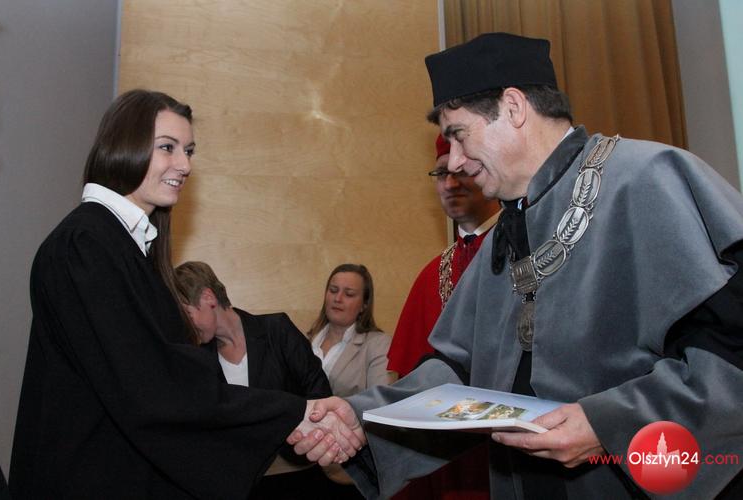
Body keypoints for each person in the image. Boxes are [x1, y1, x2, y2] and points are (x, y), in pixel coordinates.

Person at [293, 33, 743, 499]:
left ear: (513, 107)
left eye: (459, 135)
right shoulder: (503, 233)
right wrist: (363, 418)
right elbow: (460, 375)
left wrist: (608, 425)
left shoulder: (647, 178)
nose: (456, 162)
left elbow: (730, 358)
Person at [8, 89, 362, 499]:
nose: (185, 165)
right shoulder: (86, 245)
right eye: (167, 147)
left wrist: (295, 414)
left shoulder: (118, 246)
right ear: (124, 145)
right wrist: (294, 412)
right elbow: (154, 388)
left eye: (189, 151)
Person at [387, 134, 500, 500]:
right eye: (440, 173)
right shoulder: (429, 276)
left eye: (461, 171)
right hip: (445, 462)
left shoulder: (528, 250)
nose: (450, 184)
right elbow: (408, 382)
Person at [174, 260, 339, 499]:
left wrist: (300, 434)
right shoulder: (198, 357)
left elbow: (319, 392)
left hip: (298, 474)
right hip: (240, 484)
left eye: (186, 314)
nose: (185, 325)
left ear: (208, 297)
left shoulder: (276, 330)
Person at [307, 263, 397, 496]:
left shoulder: (378, 344)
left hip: (350, 466)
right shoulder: (305, 342)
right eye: (333, 290)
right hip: (302, 462)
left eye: (349, 294)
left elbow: (381, 405)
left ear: (364, 304)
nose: (338, 298)